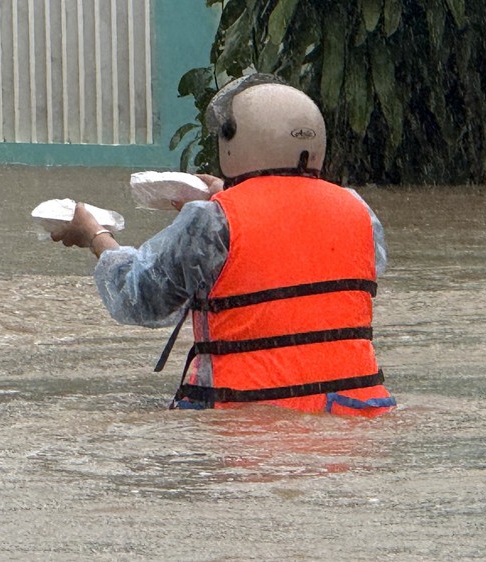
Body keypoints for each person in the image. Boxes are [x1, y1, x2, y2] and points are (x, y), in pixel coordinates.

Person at [50, 74, 396, 417]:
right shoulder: (359, 211)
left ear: (234, 142)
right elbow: (297, 259)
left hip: (246, 418)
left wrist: (95, 235)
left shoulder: (212, 220)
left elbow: (139, 298)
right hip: (357, 414)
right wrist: (230, 196)